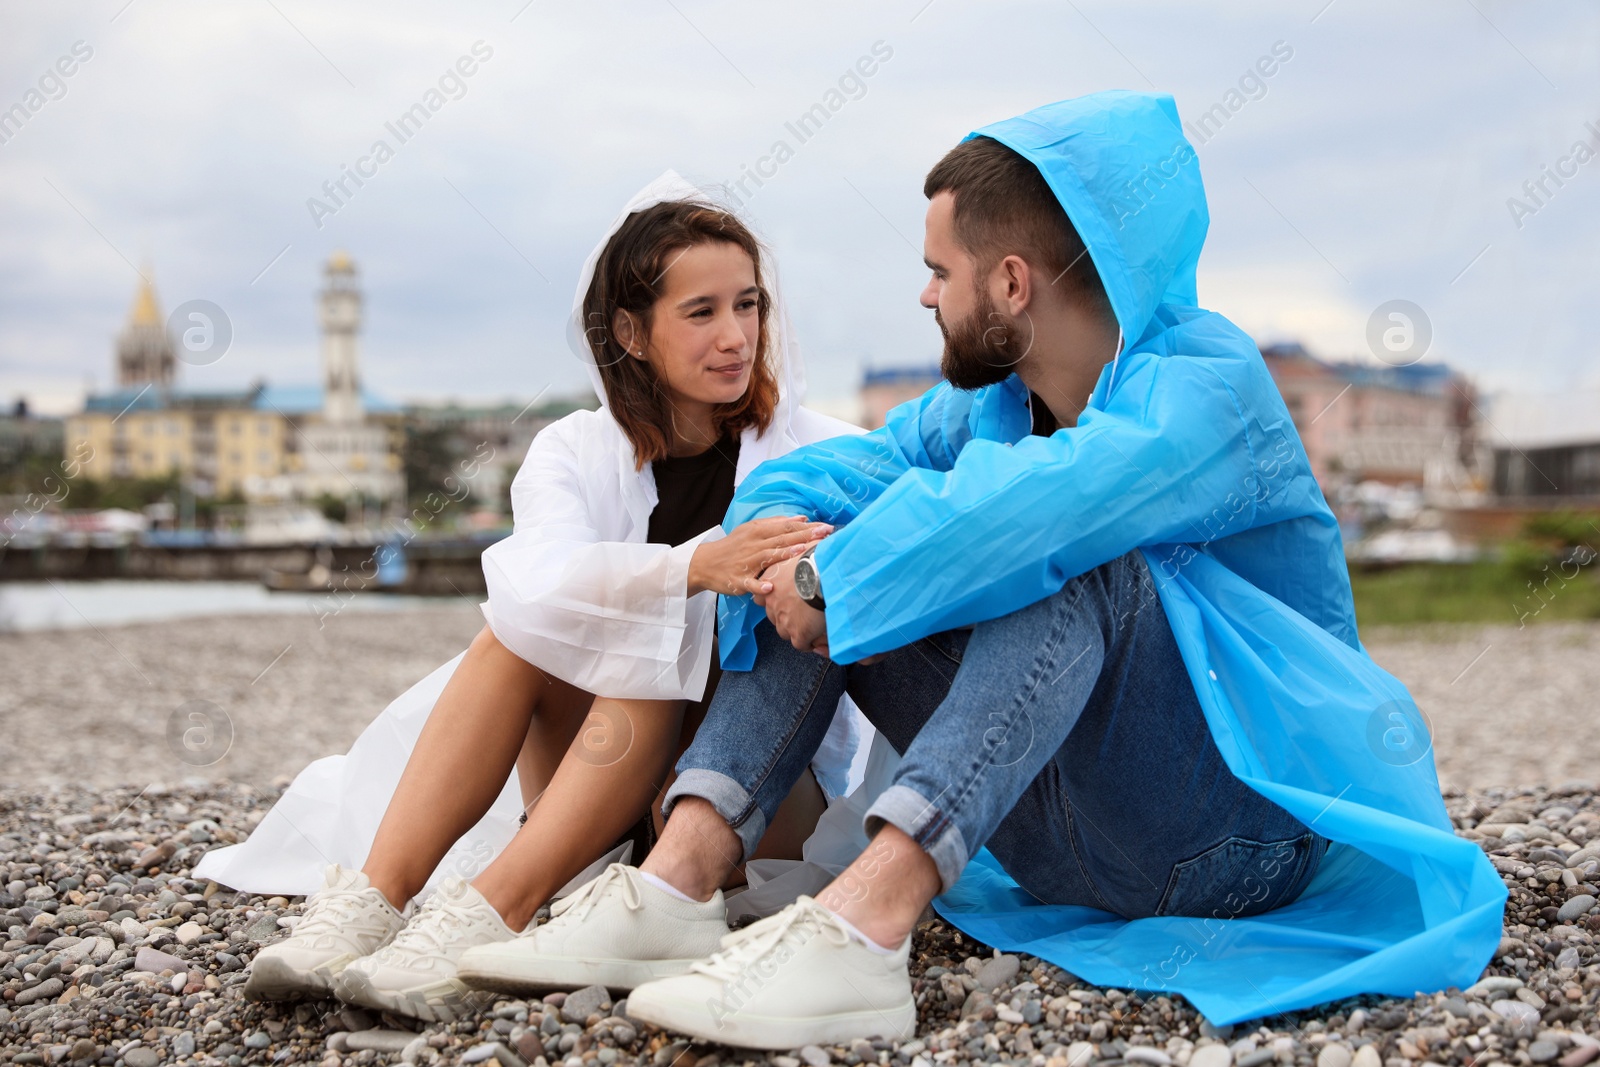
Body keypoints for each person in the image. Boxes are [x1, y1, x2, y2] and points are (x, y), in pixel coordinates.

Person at [453, 92, 1503, 1045]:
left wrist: (842, 579)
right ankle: (675, 879)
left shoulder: (1205, 388)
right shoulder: (986, 405)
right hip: (1058, 839)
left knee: (1060, 558)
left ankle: (864, 929)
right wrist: (799, 556)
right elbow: (830, 473)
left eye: (939, 273)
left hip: (1231, 841)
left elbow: (1048, 510)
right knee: (812, 538)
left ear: (1009, 282)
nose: (923, 296)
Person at [199, 171, 871, 1023]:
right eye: (702, 313)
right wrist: (692, 567)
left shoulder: (824, 452)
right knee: (514, 636)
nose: (737, 336)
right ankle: (372, 902)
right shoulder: (573, 449)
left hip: (738, 804)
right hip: (587, 781)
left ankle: (492, 910)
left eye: (749, 305)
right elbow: (530, 585)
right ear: (630, 331)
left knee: (645, 641)